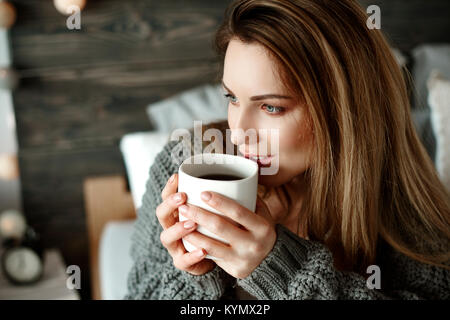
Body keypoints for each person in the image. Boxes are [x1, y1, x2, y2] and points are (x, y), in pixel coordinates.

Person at [124, 0, 450, 300]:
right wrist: (193, 275)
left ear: (343, 111)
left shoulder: (404, 212)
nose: (239, 132)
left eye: (271, 107)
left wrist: (279, 268)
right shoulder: (187, 163)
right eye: (232, 98)